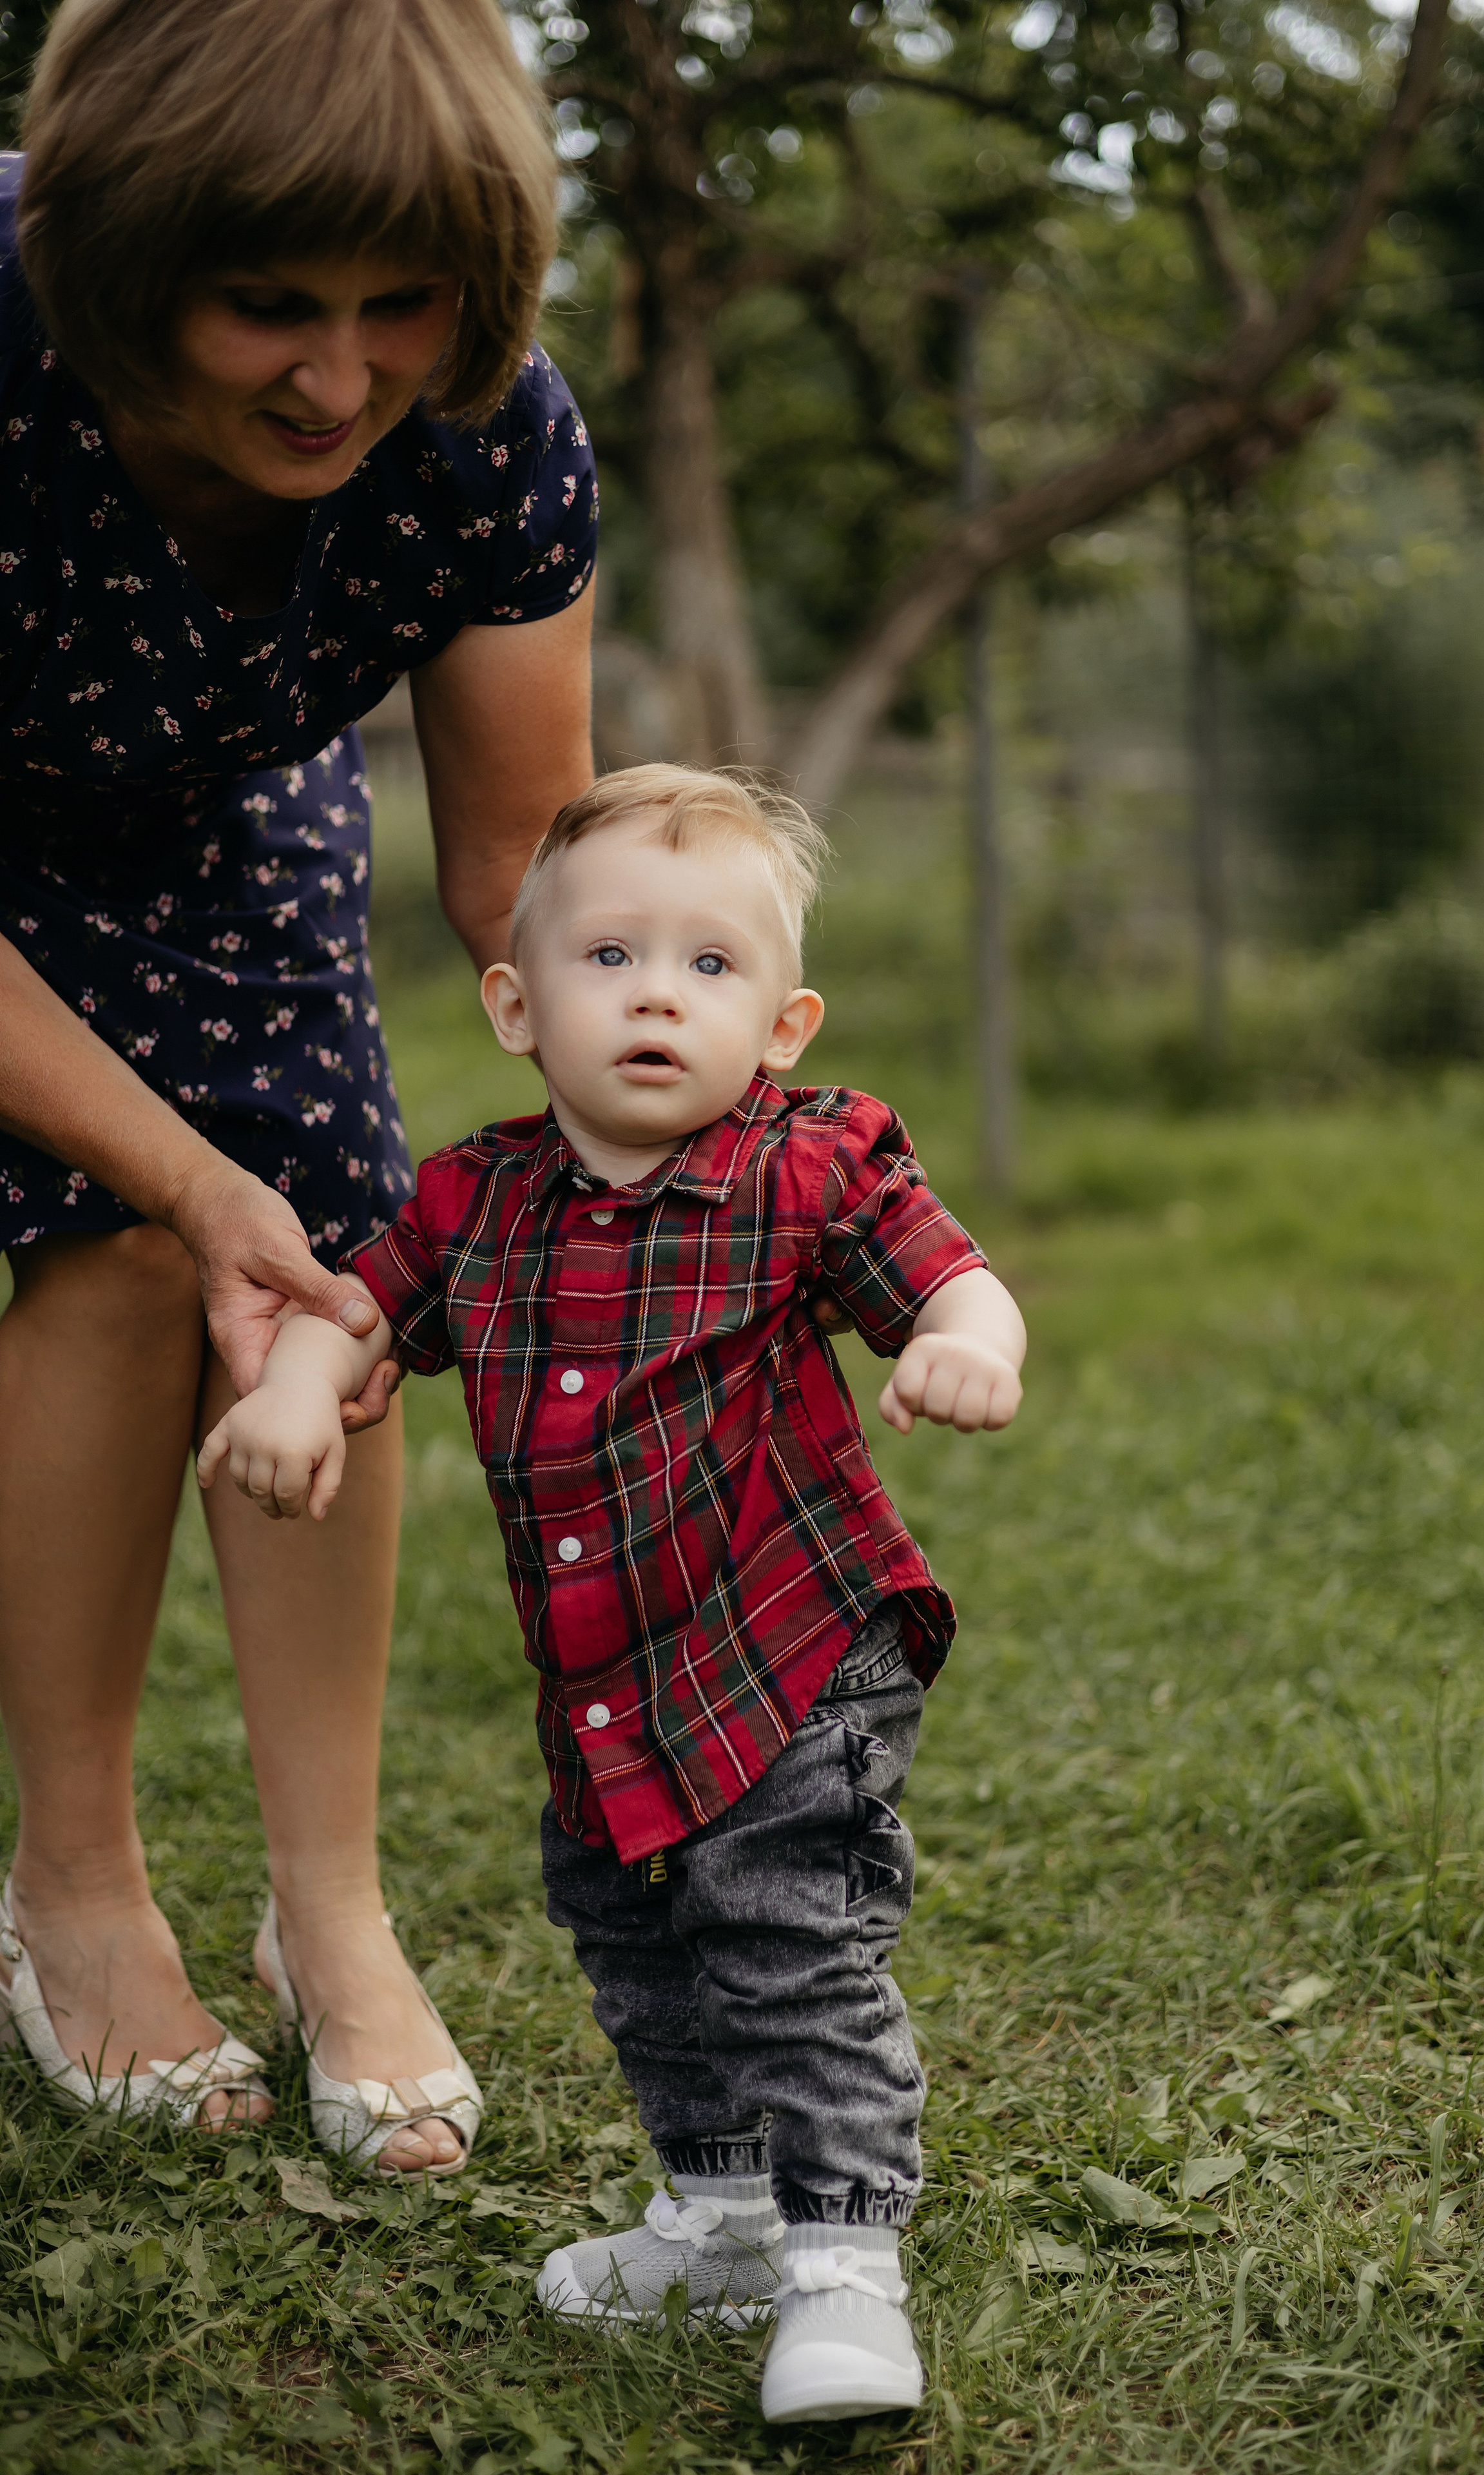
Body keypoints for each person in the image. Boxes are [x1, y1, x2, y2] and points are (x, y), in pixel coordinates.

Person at [197, 763, 1028, 2422]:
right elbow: (356, 1312)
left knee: (784, 1943)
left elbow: (950, 1270)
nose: (658, 991)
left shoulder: (811, 1169)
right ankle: (720, 2219)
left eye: (710, 966)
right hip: (606, 1680)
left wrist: (962, 1342)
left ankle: (843, 2267)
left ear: (781, 1026)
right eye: (610, 958)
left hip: (793, 1648)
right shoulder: (476, 1201)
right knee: (634, 1940)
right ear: (515, 1003)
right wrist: (297, 1390)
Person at [0, 0, 595, 2173]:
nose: (341, 379)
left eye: (398, 308)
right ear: (129, 258)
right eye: (268, 306)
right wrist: (176, 1175)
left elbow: (528, 862)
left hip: (221, 800)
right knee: (120, 1248)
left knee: (327, 1270)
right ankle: (72, 1883)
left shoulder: (494, 439)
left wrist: (631, 1129)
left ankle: (327, 1910)